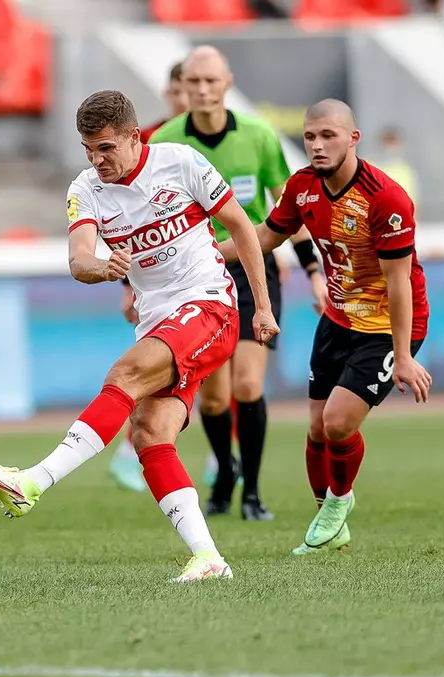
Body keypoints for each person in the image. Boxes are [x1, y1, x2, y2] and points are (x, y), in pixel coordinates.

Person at [0, 90, 278, 583]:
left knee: (124, 375)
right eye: (88, 149)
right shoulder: (85, 189)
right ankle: (209, 558)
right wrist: (103, 267)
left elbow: (241, 226)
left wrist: (261, 305)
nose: (96, 160)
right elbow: (78, 259)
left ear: (134, 137)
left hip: (210, 304)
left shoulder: (181, 163)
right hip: (157, 321)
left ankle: (33, 481)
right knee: (149, 432)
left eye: (106, 147)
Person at [215, 99, 431, 554]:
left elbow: (399, 284)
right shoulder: (303, 186)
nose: (316, 145)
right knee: (316, 428)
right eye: (310, 136)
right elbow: (267, 236)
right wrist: (206, 252)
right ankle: (328, 522)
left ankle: (339, 500)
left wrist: (404, 357)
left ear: (353, 139)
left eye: (328, 136)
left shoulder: (386, 198)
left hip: (386, 326)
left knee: (336, 424)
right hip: (337, 318)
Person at [145, 46, 327, 521]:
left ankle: (252, 491)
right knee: (212, 397)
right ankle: (225, 470)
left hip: (252, 270)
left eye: (211, 81)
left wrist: (313, 272)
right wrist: (131, 285)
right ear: (182, 86)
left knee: (248, 385)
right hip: (193, 277)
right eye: (194, 82)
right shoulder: (164, 142)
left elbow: (289, 208)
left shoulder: (259, 136)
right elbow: (141, 218)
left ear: (227, 82)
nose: (203, 90)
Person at [107, 60, 189, 492]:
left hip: (212, 266)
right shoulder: (151, 140)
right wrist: (127, 284)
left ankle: (224, 461)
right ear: (168, 93)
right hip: (160, 278)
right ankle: (130, 451)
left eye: (195, 87)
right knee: (157, 370)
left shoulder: (235, 136)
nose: (186, 98)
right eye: (179, 90)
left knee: (234, 380)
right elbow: (129, 218)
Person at [138, 62, 189, 145]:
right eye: (176, 92)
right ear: (167, 94)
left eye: (189, 93)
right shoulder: (145, 138)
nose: (182, 101)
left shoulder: (211, 137)